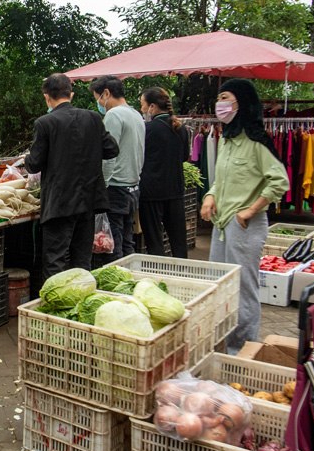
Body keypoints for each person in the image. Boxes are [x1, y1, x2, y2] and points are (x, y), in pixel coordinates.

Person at [200, 79, 289, 354]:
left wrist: (250, 210)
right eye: (219, 99)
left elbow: (279, 181)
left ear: (242, 102)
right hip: (222, 223)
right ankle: (222, 343)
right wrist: (210, 196)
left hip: (245, 225)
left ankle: (243, 348)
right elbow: (221, 180)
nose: (219, 104)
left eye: (225, 98)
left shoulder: (257, 142)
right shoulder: (227, 140)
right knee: (219, 283)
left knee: (242, 288)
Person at [24, 73, 119, 279]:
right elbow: (112, 149)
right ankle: (82, 294)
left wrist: (26, 159)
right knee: (82, 259)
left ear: (47, 97)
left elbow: (34, 164)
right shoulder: (93, 118)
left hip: (59, 203)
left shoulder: (45, 123)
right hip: (88, 200)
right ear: (71, 94)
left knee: (55, 260)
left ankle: (56, 298)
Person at [90, 75, 145, 263]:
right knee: (128, 241)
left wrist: (101, 186)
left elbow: (108, 156)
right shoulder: (136, 114)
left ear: (106, 93)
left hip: (115, 188)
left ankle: (118, 275)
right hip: (133, 187)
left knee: (113, 244)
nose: (99, 103)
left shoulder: (114, 115)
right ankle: (130, 275)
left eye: (98, 98)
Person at [138, 87, 189, 258]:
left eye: (143, 105)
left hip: (151, 192)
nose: (142, 109)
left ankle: (158, 272)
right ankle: (184, 271)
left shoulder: (147, 129)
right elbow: (184, 157)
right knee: (179, 241)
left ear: (152, 106)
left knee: (154, 242)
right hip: (175, 189)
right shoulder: (180, 128)